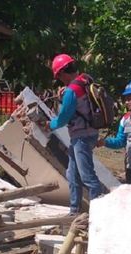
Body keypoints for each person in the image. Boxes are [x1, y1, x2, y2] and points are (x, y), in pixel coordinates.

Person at [44, 54, 103, 213]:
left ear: (63, 73)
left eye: (59, 76)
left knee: (87, 177)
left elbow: (63, 118)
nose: (60, 80)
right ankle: (74, 210)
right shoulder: (86, 81)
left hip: (81, 137)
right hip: (89, 133)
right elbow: (81, 106)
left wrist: (51, 124)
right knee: (73, 174)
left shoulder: (71, 91)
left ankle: (99, 214)